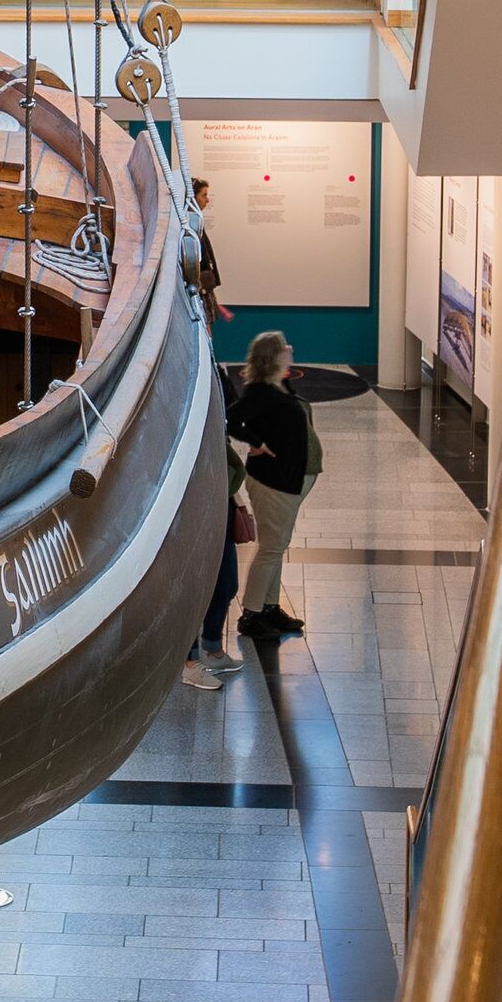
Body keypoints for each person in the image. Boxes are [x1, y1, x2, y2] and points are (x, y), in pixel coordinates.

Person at [230, 331, 316, 640]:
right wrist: (257, 442)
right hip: (272, 482)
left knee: (277, 547)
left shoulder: (277, 386)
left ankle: (269, 607)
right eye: (284, 347)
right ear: (273, 357)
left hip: (285, 481)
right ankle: (251, 615)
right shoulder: (260, 392)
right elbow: (230, 420)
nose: (290, 348)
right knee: (270, 548)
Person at [187, 432, 251, 688]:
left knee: (227, 585)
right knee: (196, 591)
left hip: (219, 511)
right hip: (196, 515)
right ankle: (189, 663)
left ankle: (213, 650)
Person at [190, 178, 232, 323]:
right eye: (204, 195)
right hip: (198, 292)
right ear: (193, 197)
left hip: (202, 290)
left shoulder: (196, 223)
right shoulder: (191, 226)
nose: (207, 200)